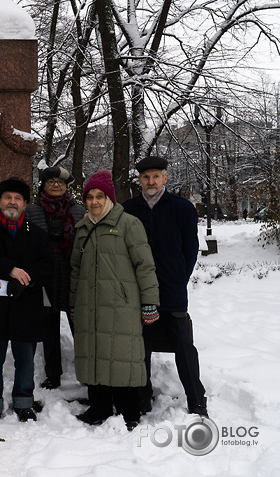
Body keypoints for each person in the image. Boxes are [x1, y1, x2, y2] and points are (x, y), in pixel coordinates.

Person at [69, 169, 159, 431]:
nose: (95, 202)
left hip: (122, 305)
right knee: (95, 354)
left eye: (100, 196)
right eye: (90, 197)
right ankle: (98, 408)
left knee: (122, 356)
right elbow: (76, 269)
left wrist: (149, 302)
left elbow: (145, 265)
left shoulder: (129, 224)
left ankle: (129, 411)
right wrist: (74, 302)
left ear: (109, 198)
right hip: (90, 304)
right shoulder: (83, 227)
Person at [122, 156, 208, 417]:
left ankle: (196, 400)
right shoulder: (129, 209)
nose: (151, 181)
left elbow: (190, 250)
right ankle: (142, 396)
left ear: (165, 178)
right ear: (140, 180)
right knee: (141, 346)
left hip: (172, 290)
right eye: (146, 177)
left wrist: (178, 279)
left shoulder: (181, 208)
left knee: (183, 346)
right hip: (139, 291)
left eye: (155, 176)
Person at [0, 177, 53, 424]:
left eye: (18, 198)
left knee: (25, 359)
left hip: (26, 305)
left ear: (26, 203)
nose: (12, 202)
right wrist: (10, 269)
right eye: (8, 197)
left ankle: (24, 403)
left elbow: (48, 265)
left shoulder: (38, 234)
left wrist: (26, 278)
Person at [26, 166, 86, 389]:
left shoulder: (78, 211)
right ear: (43, 185)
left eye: (60, 182)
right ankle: (53, 373)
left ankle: (85, 371)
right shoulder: (32, 211)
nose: (56, 185)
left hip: (72, 277)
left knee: (78, 326)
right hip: (45, 278)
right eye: (51, 181)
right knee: (48, 327)